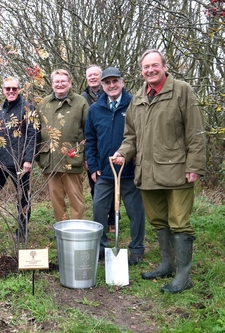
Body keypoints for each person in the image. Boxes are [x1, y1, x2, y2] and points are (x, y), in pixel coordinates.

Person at [112, 49, 206, 293]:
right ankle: (166, 264)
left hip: (177, 171)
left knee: (179, 222)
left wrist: (195, 165)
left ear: (164, 67)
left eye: (155, 65)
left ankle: (183, 276)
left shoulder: (182, 90)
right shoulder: (139, 98)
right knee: (157, 219)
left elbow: (195, 131)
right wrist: (123, 152)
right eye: (146, 67)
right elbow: (130, 135)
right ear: (141, 71)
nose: (150, 70)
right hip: (147, 171)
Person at [85, 67, 146, 265]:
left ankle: (136, 248)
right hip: (104, 171)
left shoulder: (134, 105)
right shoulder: (95, 109)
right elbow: (90, 139)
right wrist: (93, 167)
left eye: (115, 81)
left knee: (135, 211)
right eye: (107, 82)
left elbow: (141, 136)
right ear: (102, 85)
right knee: (99, 209)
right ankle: (102, 246)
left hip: (129, 172)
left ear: (122, 82)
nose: (111, 86)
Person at [0, 77, 36, 239]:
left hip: (20, 162)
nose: (11, 91)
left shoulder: (28, 108)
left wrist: (28, 159)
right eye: (7, 89)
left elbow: (33, 135)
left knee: (24, 196)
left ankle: (22, 230)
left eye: (14, 88)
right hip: (0, 162)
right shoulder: (1, 110)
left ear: (19, 89)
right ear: (3, 90)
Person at [37, 69, 88, 221]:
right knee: (56, 200)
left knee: (75, 198)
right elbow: (36, 132)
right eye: (56, 82)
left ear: (70, 83)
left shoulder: (81, 102)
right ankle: (62, 230)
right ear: (52, 84)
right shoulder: (43, 103)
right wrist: (38, 156)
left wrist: (86, 155)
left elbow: (89, 132)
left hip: (72, 158)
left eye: (63, 81)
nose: (60, 84)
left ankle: (78, 230)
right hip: (50, 159)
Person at [81, 64, 116, 234]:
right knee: (96, 185)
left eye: (96, 75)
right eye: (90, 76)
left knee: (114, 186)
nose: (93, 78)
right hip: (93, 151)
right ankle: (99, 221)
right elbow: (85, 130)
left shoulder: (111, 93)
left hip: (112, 149)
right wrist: (87, 156)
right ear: (87, 79)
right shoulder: (82, 98)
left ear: (101, 78)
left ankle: (112, 219)